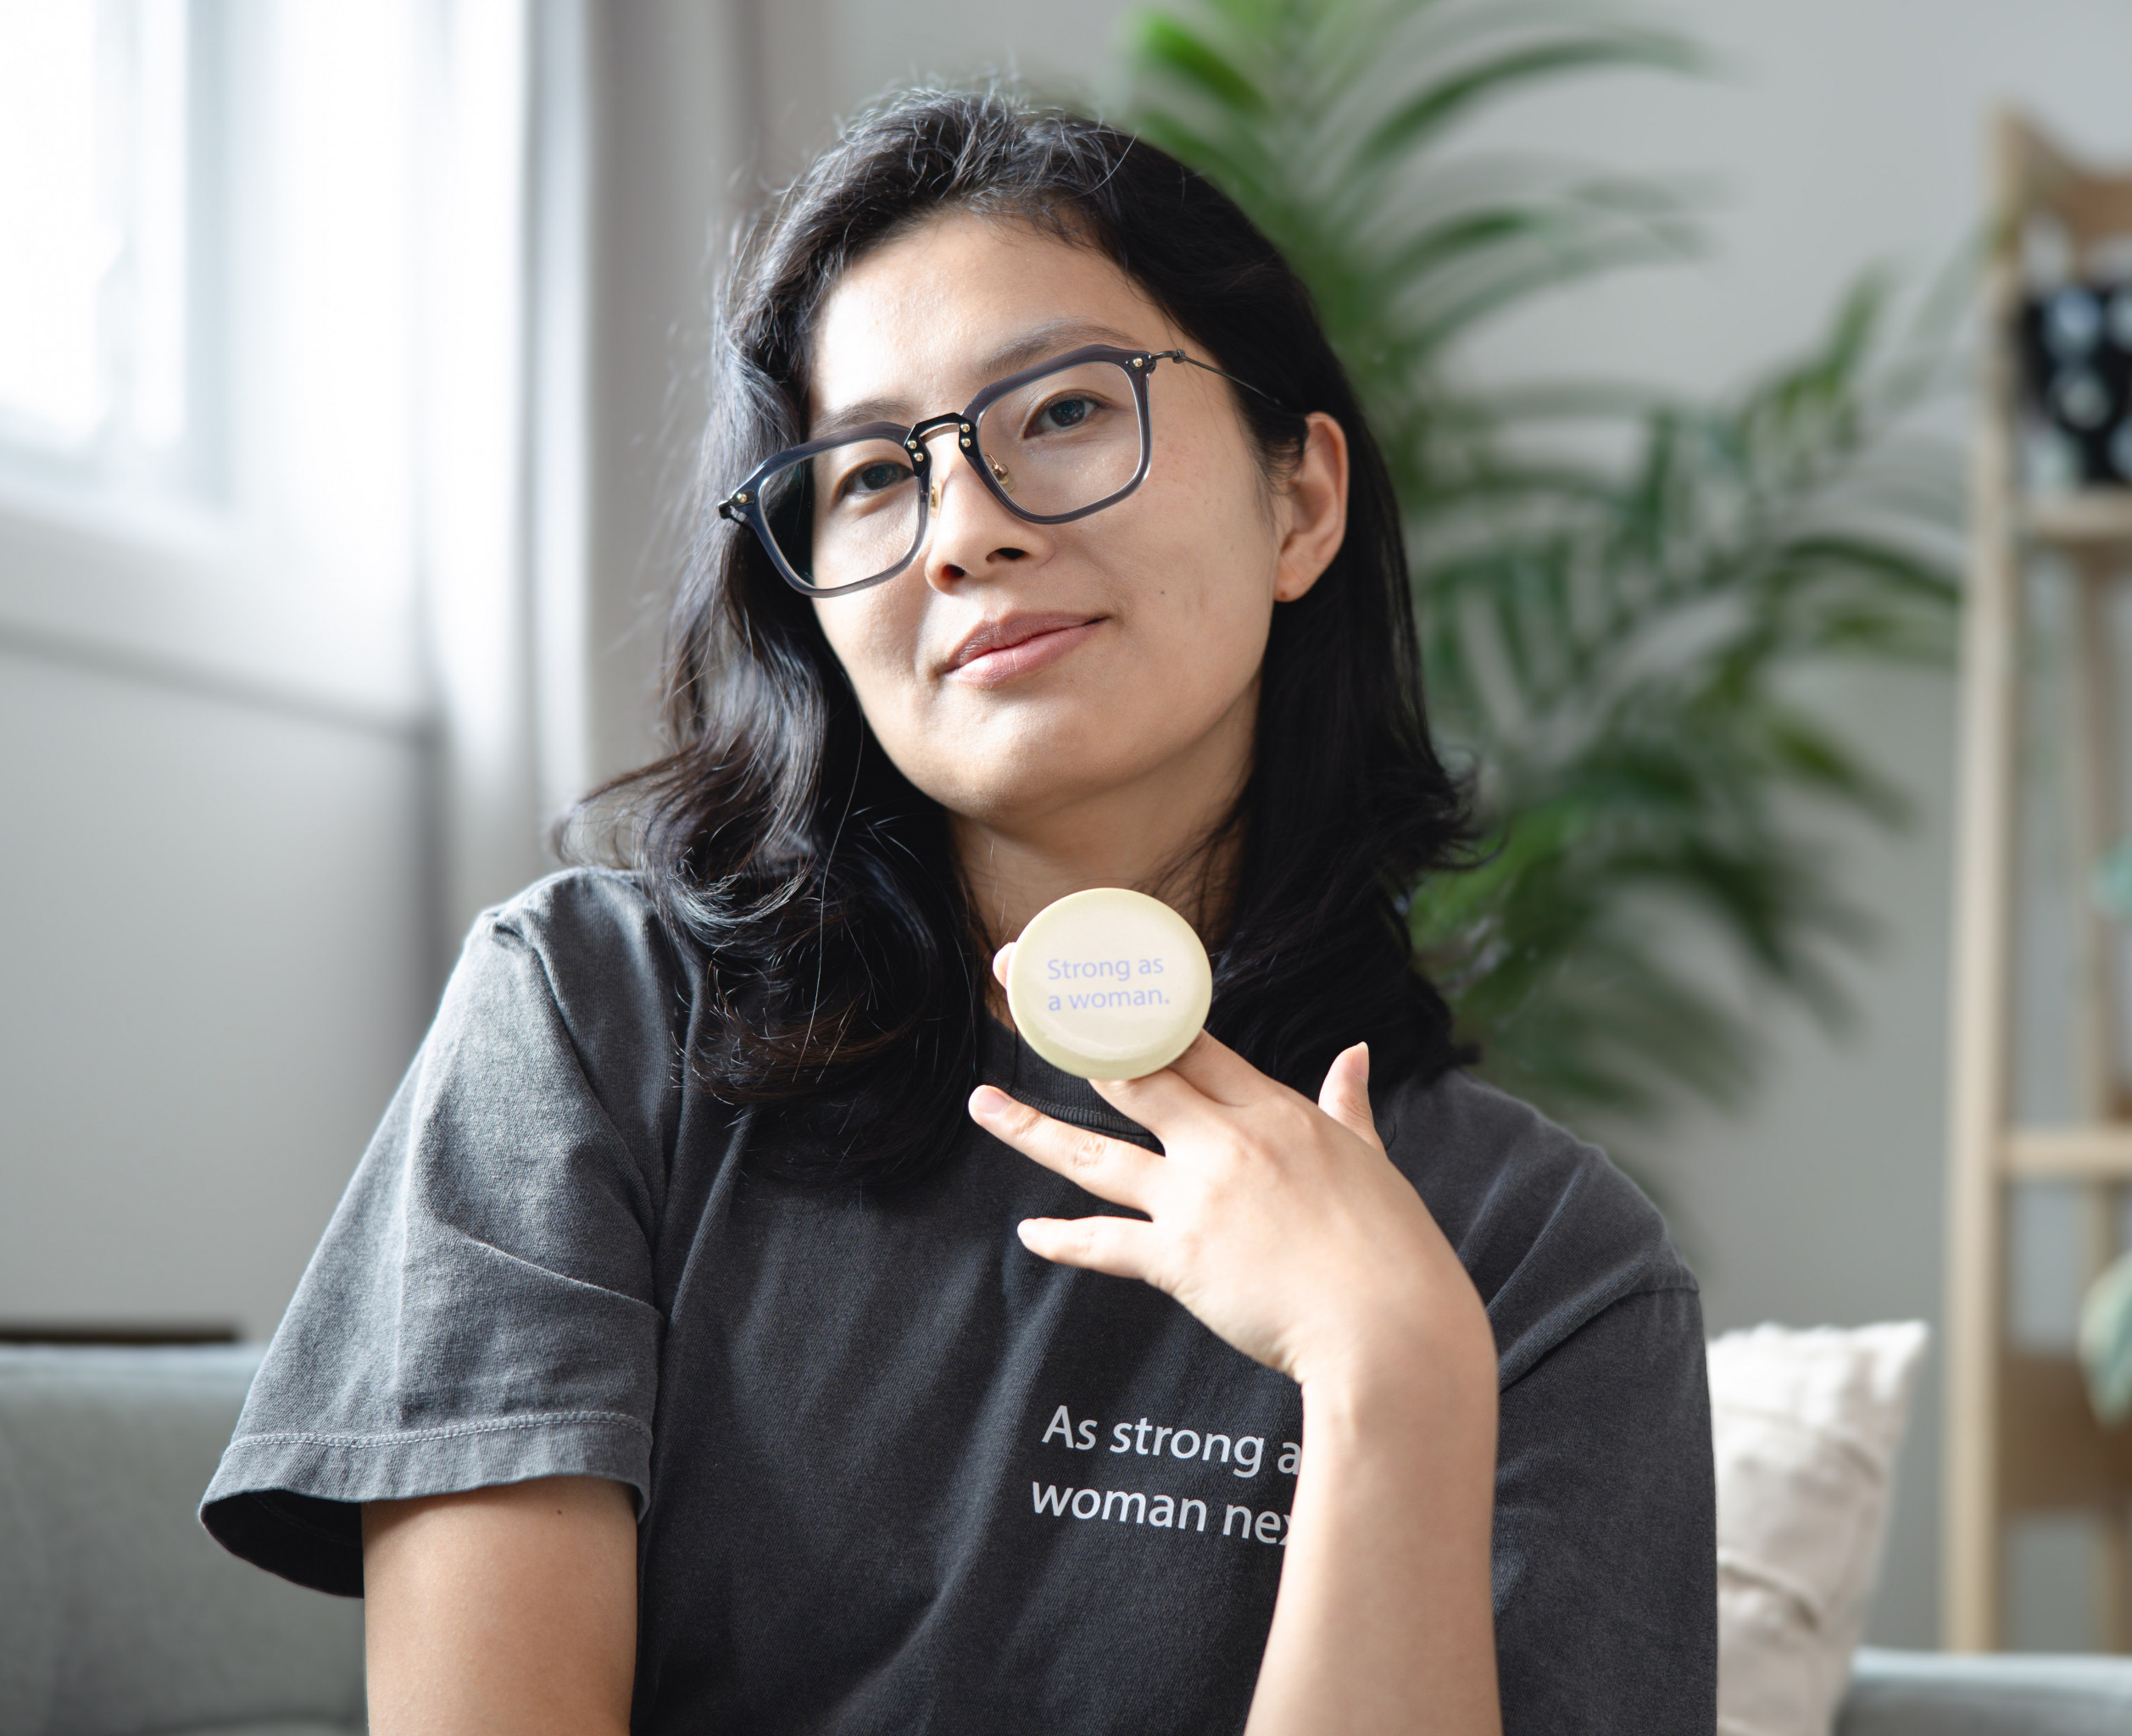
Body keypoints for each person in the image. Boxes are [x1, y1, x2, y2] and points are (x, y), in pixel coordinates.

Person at [203, 90, 1715, 1734]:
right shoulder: (589, 1029)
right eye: (865, 477)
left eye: (1063, 409)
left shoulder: (1543, 1266)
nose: (965, 527)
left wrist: (1394, 1386)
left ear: (1299, 503)